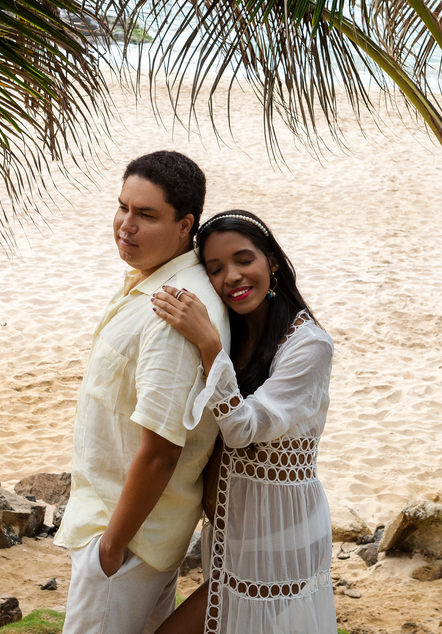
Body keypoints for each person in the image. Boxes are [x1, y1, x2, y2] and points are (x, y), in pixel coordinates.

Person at [55, 151, 231, 634]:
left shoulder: (173, 311)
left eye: (146, 215)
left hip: (127, 541)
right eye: (123, 207)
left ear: (184, 225)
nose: (125, 225)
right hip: (130, 533)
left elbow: (162, 451)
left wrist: (110, 551)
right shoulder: (155, 279)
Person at [149, 210, 336, 634]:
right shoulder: (237, 332)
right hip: (236, 535)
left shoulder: (308, 346)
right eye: (215, 269)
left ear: (271, 261)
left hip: (280, 538)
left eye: (243, 259)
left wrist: (209, 344)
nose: (231, 276)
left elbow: (244, 428)